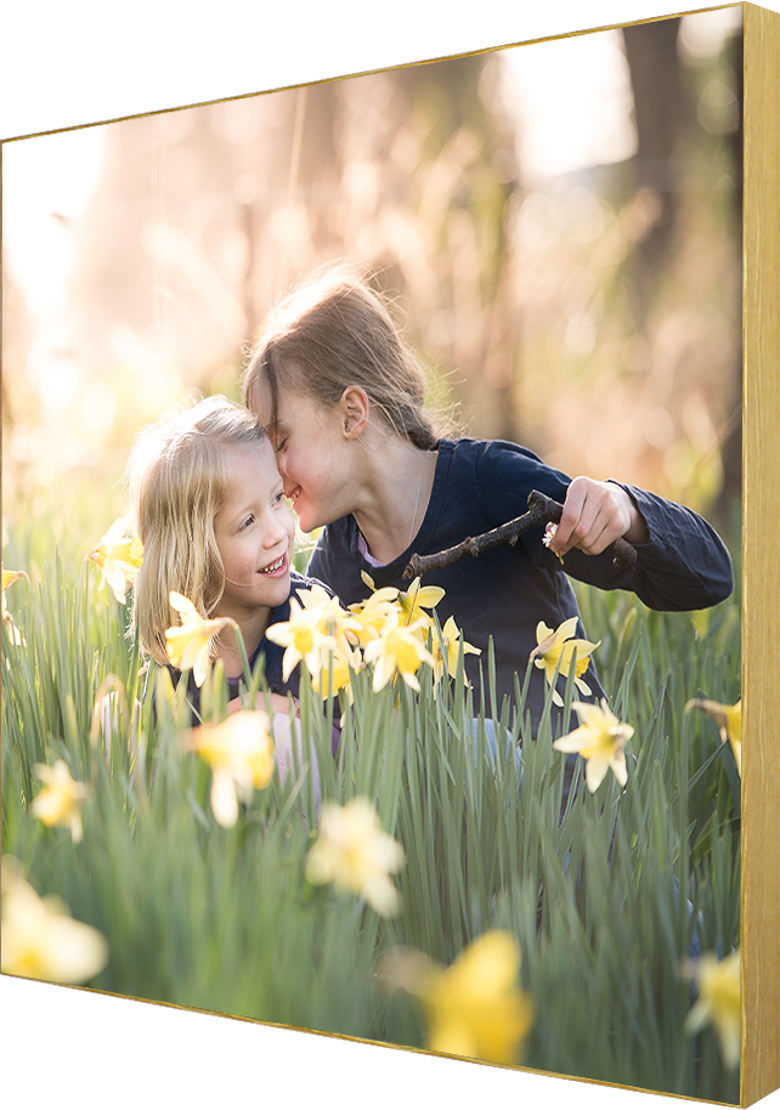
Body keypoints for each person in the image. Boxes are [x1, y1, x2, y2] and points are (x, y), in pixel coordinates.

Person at [241, 266, 734, 730]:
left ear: (352, 414)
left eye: (281, 442)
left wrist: (626, 513)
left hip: (557, 807)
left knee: (483, 743)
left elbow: (708, 577)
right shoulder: (335, 570)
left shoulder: (491, 487)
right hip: (448, 819)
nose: (273, 472)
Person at [126, 395, 332, 797]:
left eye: (277, 499)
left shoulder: (316, 620)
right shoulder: (177, 657)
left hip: (308, 834)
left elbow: (368, 748)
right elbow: (160, 784)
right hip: (216, 844)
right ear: (195, 552)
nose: (277, 532)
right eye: (248, 522)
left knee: (283, 739)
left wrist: (286, 715)